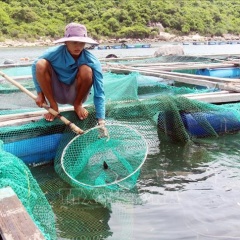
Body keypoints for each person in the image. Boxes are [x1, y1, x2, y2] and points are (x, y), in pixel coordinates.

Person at [32, 22, 105, 126]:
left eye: (81, 43)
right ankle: (53, 106)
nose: (78, 46)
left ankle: (77, 105)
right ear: (66, 42)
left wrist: (101, 119)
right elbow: (35, 66)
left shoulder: (92, 60)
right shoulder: (54, 53)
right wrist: (40, 93)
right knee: (41, 63)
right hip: (57, 92)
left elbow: (99, 91)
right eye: (74, 42)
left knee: (86, 70)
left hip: (76, 94)